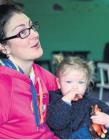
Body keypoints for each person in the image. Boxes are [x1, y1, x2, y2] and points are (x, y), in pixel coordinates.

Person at [0, 4, 59, 139]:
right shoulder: (3, 85)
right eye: (22, 32)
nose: (35, 34)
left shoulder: (38, 73)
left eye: (31, 27)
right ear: (3, 47)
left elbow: (72, 90)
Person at [47, 56, 109, 139]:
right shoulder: (54, 99)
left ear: (86, 85)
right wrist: (66, 100)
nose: (75, 87)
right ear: (59, 83)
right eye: (69, 82)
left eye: (81, 82)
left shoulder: (91, 101)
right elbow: (56, 123)